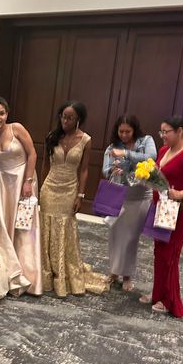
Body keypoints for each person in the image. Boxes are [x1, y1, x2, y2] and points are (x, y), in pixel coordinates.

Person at [140, 117, 183, 317]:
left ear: (179, 131)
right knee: (160, 252)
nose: (162, 136)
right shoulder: (164, 151)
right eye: (160, 132)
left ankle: (169, 300)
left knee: (170, 254)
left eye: (165, 132)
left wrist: (181, 193)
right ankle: (158, 294)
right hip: (163, 207)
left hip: (181, 210)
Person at [40, 101, 109, 297]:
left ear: (78, 119)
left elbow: (84, 169)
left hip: (69, 189)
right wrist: (40, 189)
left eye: (70, 118)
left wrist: (81, 194)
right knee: (46, 228)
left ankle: (62, 271)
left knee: (64, 228)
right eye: (63, 116)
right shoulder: (52, 137)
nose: (65, 121)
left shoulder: (86, 140)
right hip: (49, 188)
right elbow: (45, 164)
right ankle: (47, 271)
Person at [0, 97, 42, 296]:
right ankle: (3, 273)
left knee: (23, 227)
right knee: (1, 225)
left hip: (23, 179)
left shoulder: (16, 128)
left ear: (7, 114)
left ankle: (28, 275)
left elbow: (32, 153)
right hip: (2, 183)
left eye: (1, 113)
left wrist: (28, 181)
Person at [102, 114, 157, 291]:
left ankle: (127, 275)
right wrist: (113, 169)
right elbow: (105, 169)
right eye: (121, 131)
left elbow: (151, 156)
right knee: (115, 235)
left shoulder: (145, 140)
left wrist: (126, 154)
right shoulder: (113, 147)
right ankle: (114, 271)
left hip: (140, 196)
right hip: (120, 195)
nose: (124, 135)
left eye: (128, 131)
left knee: (131, 238)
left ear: (135, 130)